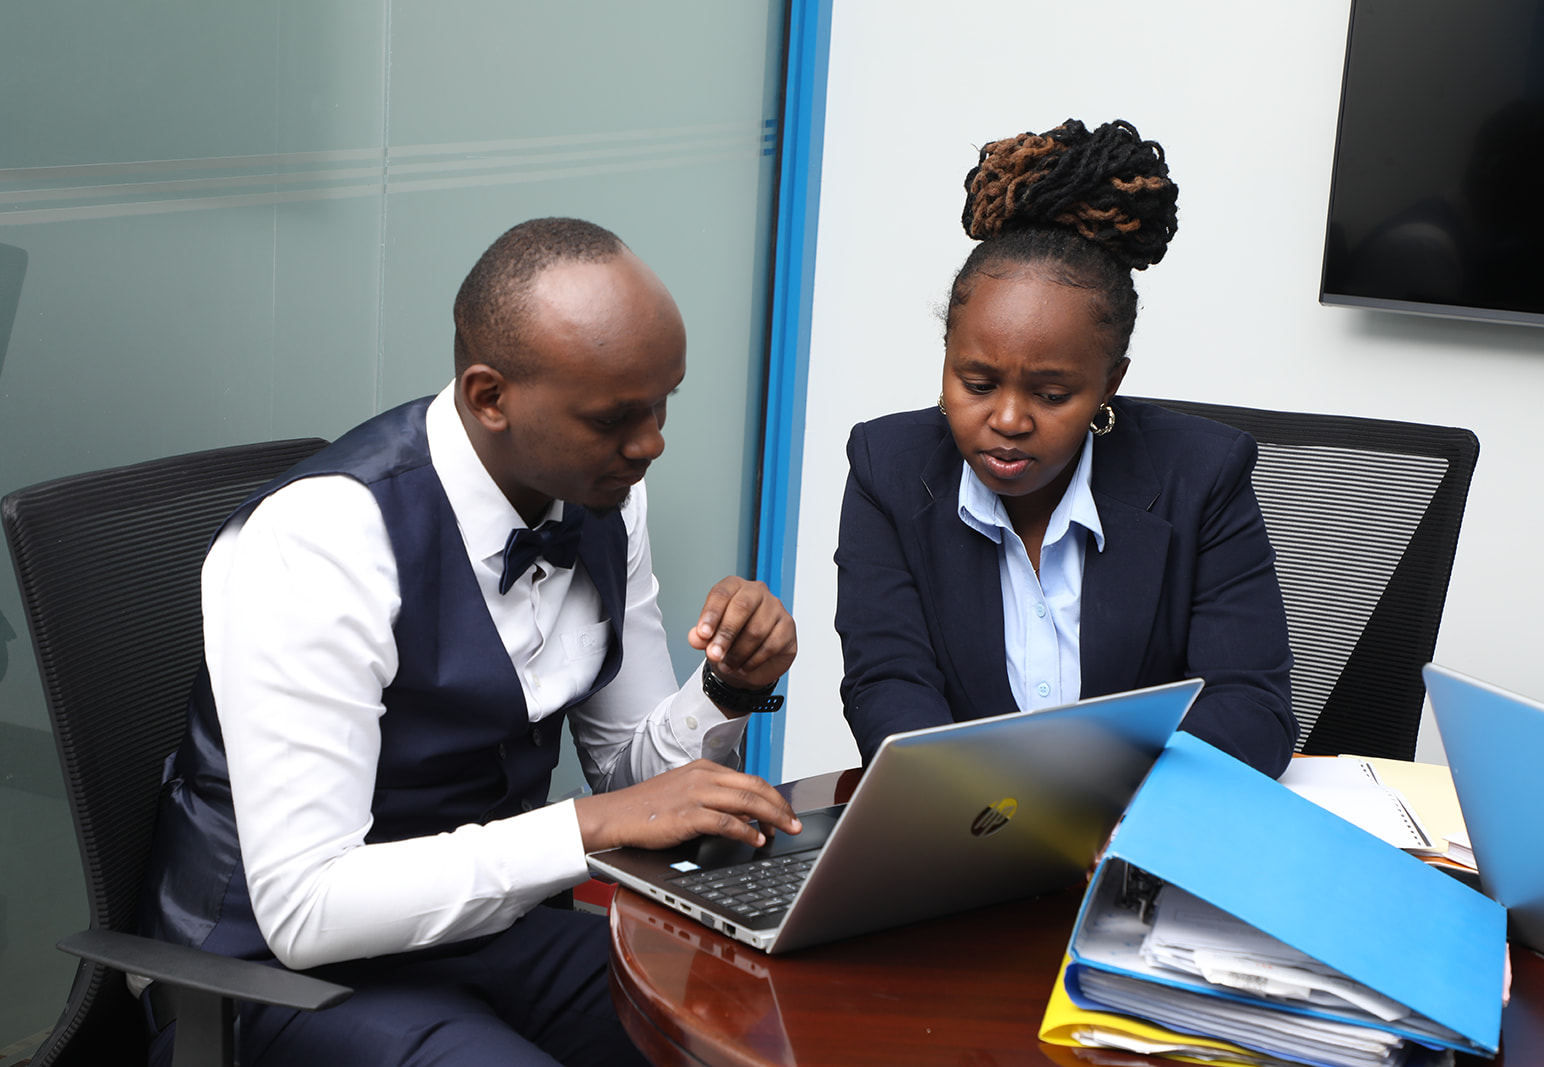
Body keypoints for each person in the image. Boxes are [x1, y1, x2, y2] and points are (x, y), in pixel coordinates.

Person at [135, 217, 802, 1066]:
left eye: (664, 401)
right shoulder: (324, 540)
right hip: (266, 980)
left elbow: (636, 785)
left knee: (754, 1017)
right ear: (491, 397)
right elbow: (305, 908)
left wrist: (727, 688)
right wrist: (588, 826)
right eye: (616, 418)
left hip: (487, 934)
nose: (651, 444)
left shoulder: (601, 495)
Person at [835, 119, 1297, 780]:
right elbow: (887, 686)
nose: (1009, 419)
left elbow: (1251, 705)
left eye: (1052, 394)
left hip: (1140, 842)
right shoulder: (889, 468)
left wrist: (1096, 802)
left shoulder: (1202, 475)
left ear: (1110, 384)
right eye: (977, 383)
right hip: (969, 837)